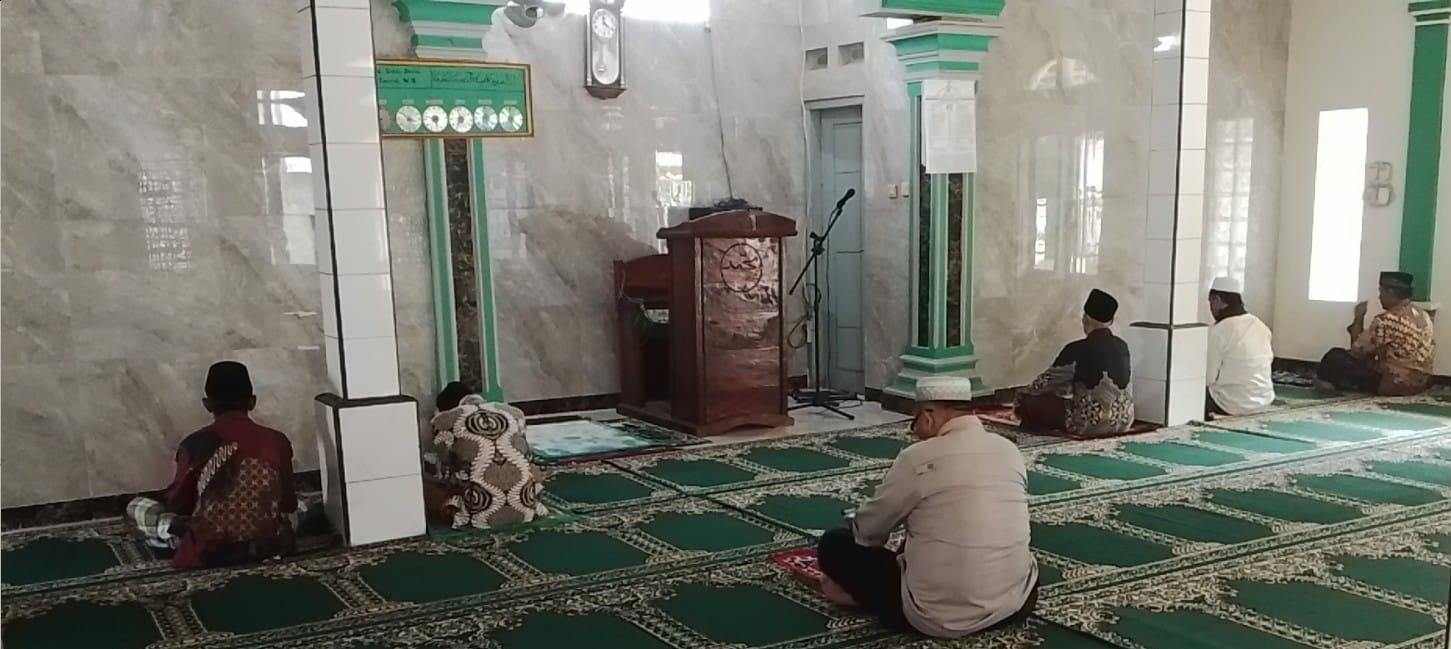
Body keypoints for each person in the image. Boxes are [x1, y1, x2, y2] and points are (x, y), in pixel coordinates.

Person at [816, 376, 1038, 638]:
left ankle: (856, 598)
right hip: (1015, 604)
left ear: (928, 416)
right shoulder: (1009, 450)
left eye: (915, 422)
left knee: (834, 543)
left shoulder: (918, 457)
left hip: (936, 616)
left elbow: (869, 532)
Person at [127, 361, 297, 569]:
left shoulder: (195, 444)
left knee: (137, 506)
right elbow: (289, 503)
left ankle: (171, 535)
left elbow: (180, 504)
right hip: (269, 545)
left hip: (209, 551)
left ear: (208, 404)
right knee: (301, 510)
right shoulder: (277, 440)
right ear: (252, 401)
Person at [423, 381, 548, 529]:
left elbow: (440, 471)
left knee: (428, 484)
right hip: (525, 510)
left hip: (477, 515)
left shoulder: (443, 420)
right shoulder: (515, 413)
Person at [1015, 289, 1134, 436]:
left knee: (1029, 402)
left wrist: (1021, 395)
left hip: (1090, 423)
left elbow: (1046, 383)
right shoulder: (1123, 346)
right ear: (1111, 322)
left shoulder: (1077, 349)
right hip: (1124, 422)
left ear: (1084, 319)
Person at [1317, 271, 1435, 396]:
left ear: (1391, 292)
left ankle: (1324, 387)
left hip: (1395, 383)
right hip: (1422, 382)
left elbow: (1357, 352)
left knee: (1334, 356)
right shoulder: (1424, 316)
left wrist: (1359, 318)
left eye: (1381, 292)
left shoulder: (1386, 319)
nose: (1379, 297)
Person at [1205, 277, 1275, 416]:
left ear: (1217, 300)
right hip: (1263, 400)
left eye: (1211, 302)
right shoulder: (1260, 325)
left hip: (1231, 404)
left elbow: (1208, 378)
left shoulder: (1218, 331)